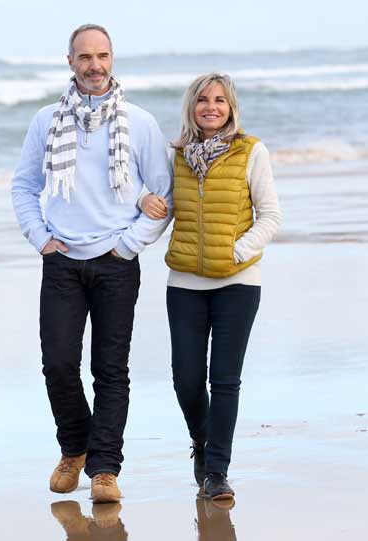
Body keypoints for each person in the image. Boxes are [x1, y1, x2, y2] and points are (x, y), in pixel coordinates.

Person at [12, 23, 172, 504]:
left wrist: (128, 246)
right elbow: (23, 186)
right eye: (85, 57)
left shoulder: (139, 122)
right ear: (70, 62)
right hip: (61, 260)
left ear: (112, 58)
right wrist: (40, 239)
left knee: (110, 368)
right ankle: (74, 448)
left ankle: (104, 469)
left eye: (102, 56)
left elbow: (163, 193)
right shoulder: (46, 121)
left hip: (116, 261)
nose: (95, 65)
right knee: (58, 364)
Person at [141, 73, 281, 500]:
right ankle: (201, 441)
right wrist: (138, 216)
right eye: (203, 99)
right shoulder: (176, 156)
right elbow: (163, 210)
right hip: (184, 283)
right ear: (191, 106)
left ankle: (216, 472)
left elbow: (270, 216)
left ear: (231, 107)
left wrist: (236, 252)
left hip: (238, 284)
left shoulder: (251, 151)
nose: (211, 107)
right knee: (185, 379)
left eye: (220, 100)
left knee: (224, 381)